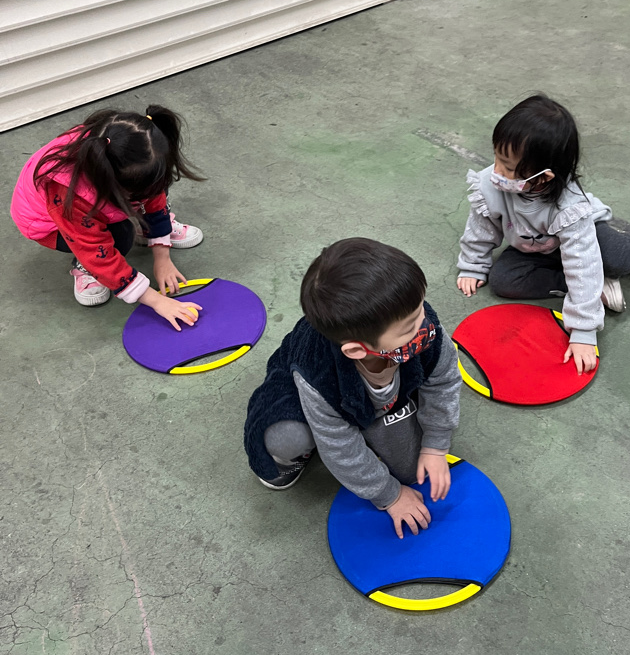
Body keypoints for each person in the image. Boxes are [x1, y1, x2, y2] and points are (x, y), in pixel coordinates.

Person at [244, 238, 462, 539]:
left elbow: (444, 380)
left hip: (374, 384)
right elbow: (339, 447)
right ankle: (293, 457)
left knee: (412, 469)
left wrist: (436, 445)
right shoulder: (318, 374)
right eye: (410, 327)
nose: (425, 324)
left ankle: (385, 407)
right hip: (310, 391)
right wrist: (390, 496)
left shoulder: (418, 321)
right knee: (287, 438)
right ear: (358, 350)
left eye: (421, 308)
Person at [457, 94, 630, 374]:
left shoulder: (570, 207)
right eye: (497, 157)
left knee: (615, 258)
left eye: (508, 168)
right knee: (503, 281)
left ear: (543, 177)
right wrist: (473, 264)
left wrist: (583, 330)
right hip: (537, 248)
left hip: (588, 235)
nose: (496, 171)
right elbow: (480, 227)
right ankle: (594, 287)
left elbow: (582, 261)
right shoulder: (491, 183)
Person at [10, 104, 205, 330]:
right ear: (111, 184)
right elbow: (95, 249)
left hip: (104, 195)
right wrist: (157, 301)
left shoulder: (126, 150)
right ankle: (84, 266)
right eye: (135, 195)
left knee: (152, 183)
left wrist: (162, 255)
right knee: (121, 236)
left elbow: (154, 195)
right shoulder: (70, 196)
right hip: (50, 224)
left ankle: (147, 226)